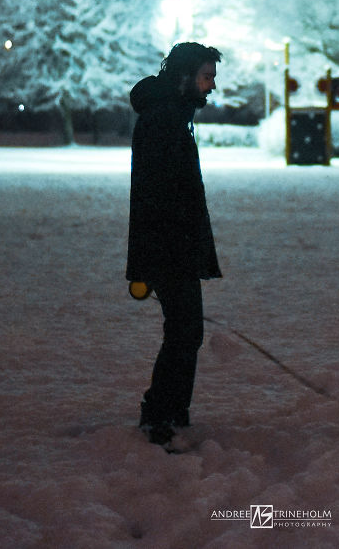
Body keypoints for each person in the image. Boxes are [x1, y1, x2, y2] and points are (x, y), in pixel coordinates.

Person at [126, 42, 223, 447]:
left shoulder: (173, 115)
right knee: (183, 332)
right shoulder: (164, 119)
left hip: (173, 245)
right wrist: (166, 254)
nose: (211, 86)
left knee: (187, 331)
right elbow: (159, 195)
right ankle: (159, 412)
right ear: (184, 77)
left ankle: (173, 409)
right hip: (168, 247)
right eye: (206, 77)